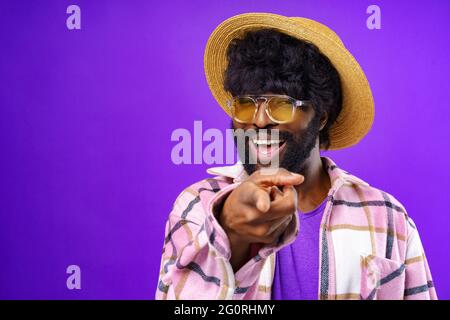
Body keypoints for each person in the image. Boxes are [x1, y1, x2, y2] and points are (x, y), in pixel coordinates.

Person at [155, 13, 437, 300]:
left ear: (322, 116)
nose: (259, 121)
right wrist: (230, 235)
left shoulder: (388, 217)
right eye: (245, 104)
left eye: (281, 104)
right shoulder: (198, 206)